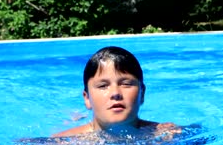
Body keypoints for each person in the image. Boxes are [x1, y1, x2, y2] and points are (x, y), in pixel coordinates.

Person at [52, 46, 181, 139]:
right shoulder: (63, 142)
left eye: (126, 84)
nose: (115, 93)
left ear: (142, 94)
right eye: (103, 86)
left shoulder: (167, 134)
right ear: (87, 99)